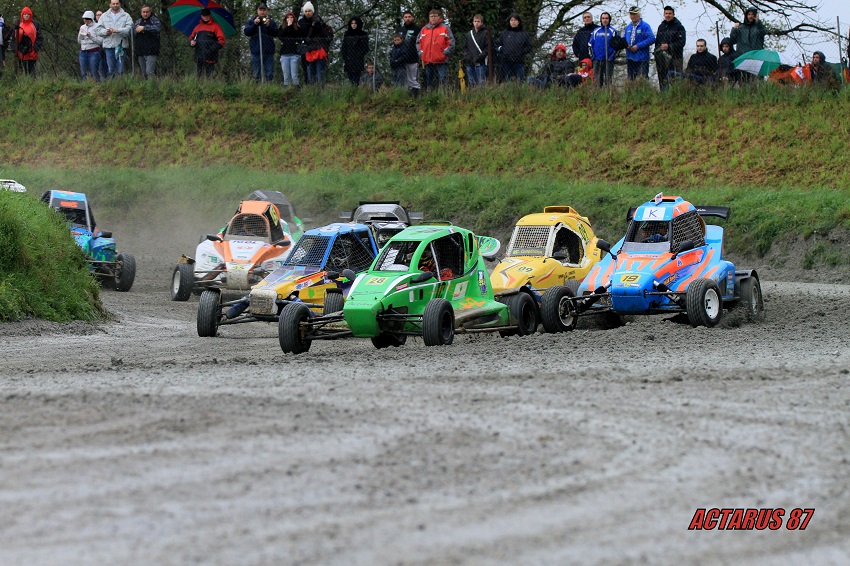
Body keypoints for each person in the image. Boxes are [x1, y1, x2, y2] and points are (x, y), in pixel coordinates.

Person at [417, 9, 455, 90]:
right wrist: (421, 53)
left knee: (442, 78)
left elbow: (451, 42)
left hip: (441, 59)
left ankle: (443, 94)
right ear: (429, 17)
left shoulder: (445, 28)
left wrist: (445, 53)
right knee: (429, 79)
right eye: (431, 16)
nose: (433, 18)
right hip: (428, 59)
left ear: (439, 17)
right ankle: (431, 94)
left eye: (435, 16)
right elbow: (418, 42)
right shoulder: (424, 29)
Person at [95, 0, 132, 78]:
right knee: (111, 69)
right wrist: (106, 32)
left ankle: (120, 84)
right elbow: (98, 30)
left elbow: (130, 29)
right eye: (113, 3)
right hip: (109, 46)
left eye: (117, 3)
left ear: (120, 4)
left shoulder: (126, 16)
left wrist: (118, 31)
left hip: (121, 46)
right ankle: (112, 84)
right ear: (110, 5)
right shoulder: (104, 16)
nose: (115, 5)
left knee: (120, 70)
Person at [299, 2, 333, 86]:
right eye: (306, 11)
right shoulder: (301, 22)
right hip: (308, 50)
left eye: (309, 11)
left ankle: (320, 88)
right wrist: (312, 28)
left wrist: (319, 26)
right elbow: (305, 37)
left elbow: (326, 36)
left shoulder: (319, 21)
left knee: (319, 72)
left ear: (312, 11)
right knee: (308, 72)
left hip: (319, 50)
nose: (308, 13)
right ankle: (310, 88)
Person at [244, 3, 278, 83]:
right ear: (257, 11)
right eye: (260, 10)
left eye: (264, 10)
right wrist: (254, 25)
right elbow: (247, 32)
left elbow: (276, 33)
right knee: (256, 74)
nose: (262, 12)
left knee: (269, 73)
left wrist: (268, 26)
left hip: (268, 51)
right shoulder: (251, 21)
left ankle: (269, 88)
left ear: (267, 11)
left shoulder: (271, 22)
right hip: (256, 51)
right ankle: (257, 88)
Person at [654, 5, 686, 89]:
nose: (668, 15)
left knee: (675, 79)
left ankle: (676, 94)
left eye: (670, 13)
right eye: (666, 13)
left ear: (673, 14)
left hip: (675, 58)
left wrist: (669, 46)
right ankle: (663, 93)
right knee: (662, 78)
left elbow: (682, 42)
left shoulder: (679, 27)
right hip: (662, 58)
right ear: (664, 14)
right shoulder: (661, 27)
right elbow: (657, 41)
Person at [495, 13, 532, 83]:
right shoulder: (504, 33)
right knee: (506, 81)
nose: (513, 22)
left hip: (519, 61)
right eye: (511, 20)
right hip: (506, 61)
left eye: (515, 20)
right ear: (509, 22)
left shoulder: (524, 33)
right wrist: (502, 49)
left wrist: (521, 52)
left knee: (520, 81)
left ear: (518, 22)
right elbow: (497, 45)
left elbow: (529, 46)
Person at [190, 8, 225, 77]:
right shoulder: (197, 27)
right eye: (204, 16)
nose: (205, 17)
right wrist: (192, 43)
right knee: (199, 75)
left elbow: (222, 41)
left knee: (209, 76)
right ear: (201, 16)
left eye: (207, 16)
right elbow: (192, 38)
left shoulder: (216, 26)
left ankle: (210, 83)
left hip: (211, 56)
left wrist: (211, 50)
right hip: (199, 55)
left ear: (210, 15)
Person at [623, 6, 654, 81]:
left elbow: (651, 38)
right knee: (631, 80)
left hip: (642, 58)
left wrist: (638, 46)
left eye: (634, 14)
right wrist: (626, 45)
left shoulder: (645, 26)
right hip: (630, 57)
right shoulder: (628, 27)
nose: (633, 16)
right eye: (631, 14)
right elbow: (624, 38)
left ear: (638, 14)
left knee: (642, 80)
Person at [588, 12, 618, 87]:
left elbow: (617, 47)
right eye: (603, 18)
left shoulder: (613, 31)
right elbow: (590, 44)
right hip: (597, 60)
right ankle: (598, 93)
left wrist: (612, 57)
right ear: (601, 20)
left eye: (606, 18)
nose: (605, 20)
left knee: (608, 81)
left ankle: (608, 93)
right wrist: (593, 57)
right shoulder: (596, 31)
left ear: (609, 20)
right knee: (597, 82)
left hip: (608, 60)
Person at [13, 7, 42, 77]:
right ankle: (23, 82)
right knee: (22, 72)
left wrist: (35, 48)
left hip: (32, 53)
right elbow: (14, 39)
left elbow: (40, 38)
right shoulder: (18, 25)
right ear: (22, 15)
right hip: (21, 53)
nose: (26, 15)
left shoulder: (35, 25)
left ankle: (32, 82)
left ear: (30, 15)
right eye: (25, 14)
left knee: (32, 72)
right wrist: (18, 49)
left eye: (28, 14)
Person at [134, 5, 161, 80]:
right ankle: (146, 86)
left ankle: (152, 86)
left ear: (150, 12)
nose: (145, 14)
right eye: (144, 12)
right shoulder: (138, 21)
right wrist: (136, 30)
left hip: (152, 50)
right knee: (144, 73)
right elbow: (134, 31)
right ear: (141, 13)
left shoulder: (155, 20)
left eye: (147, 12)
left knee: (149, 72)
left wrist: (144, 28)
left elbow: (157, 29)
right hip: (141, 51)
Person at [397, 11, 421, 94]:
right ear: (403, 18)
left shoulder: (418, 29)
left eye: (409, 17)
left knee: (413, 78)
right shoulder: (400, 30)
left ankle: (415, 93)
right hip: (401, 58)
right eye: (406, 17)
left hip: (413, 57)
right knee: (403, 78)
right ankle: (404, 94)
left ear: (412, 18)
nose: (408, 19)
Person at [463, 14, 489, 87]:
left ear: (481, 22)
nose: (476, 23)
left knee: (481, 82)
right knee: (471, 82)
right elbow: (465, 47)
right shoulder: (469, 34)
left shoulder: (485, 33)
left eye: (478, 21)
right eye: (475, 21)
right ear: (473, 22)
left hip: (481, 62)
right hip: (470, 62)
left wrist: (480, 56)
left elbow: (488, 48)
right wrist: (466, 56)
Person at [342, 16, 369, 85]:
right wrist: (345, 57)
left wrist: (359, 55)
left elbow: (366, 48)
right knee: (350, 77)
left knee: (356, 77)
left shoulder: (363, 34)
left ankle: (355, 89)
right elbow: (344, 47)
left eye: (355, 23)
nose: (353, 25)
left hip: (358, 59)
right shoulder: (347, 34)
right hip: (349, 59)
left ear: (358, 24)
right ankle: (352, 89)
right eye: (352, 23)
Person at [277, 11, 301, 87]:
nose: (289, 19)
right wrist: (287, 27)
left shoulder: (297, 28)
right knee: (286, 74)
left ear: (294, 19)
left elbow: (297, 37)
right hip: (284, 54)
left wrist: (291, 27)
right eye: (288, 17)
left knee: (294, 74)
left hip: (294, 53)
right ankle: (286, 87)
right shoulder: (282, 28)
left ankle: (296, 87)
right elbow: (281, 37)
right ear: (285, 19)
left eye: (291, 17)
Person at [78, 11, 102, 81]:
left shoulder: (97, 26)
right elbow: (79, 41)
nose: (85, 20)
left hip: (94, 52)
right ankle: (85, 85)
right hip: (83, 52)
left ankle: (96, 84)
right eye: (84, 19)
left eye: (87, 19)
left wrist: (90, 36)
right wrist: (81, 35)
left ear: (91, 19)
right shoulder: (82, 27)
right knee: (83, 73)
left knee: (94, 72)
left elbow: (100, 41)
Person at [94, 10, 108, 80]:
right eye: (97, 15)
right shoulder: (93, 26)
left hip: (106, 48)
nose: (99, 16)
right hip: (96, 48)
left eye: (100, 15)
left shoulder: (106, 24)